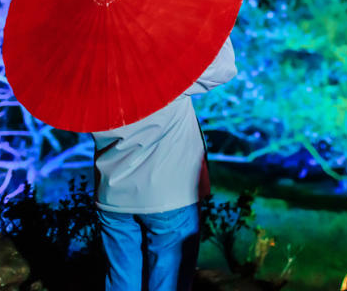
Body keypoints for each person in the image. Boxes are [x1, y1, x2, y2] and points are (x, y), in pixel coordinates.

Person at [91, 35, 237, 291]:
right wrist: (217, 21)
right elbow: (222, 68)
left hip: (112, 194)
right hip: (169, 196)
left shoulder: (88, 75)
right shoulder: (161, 69)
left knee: (121, 283)